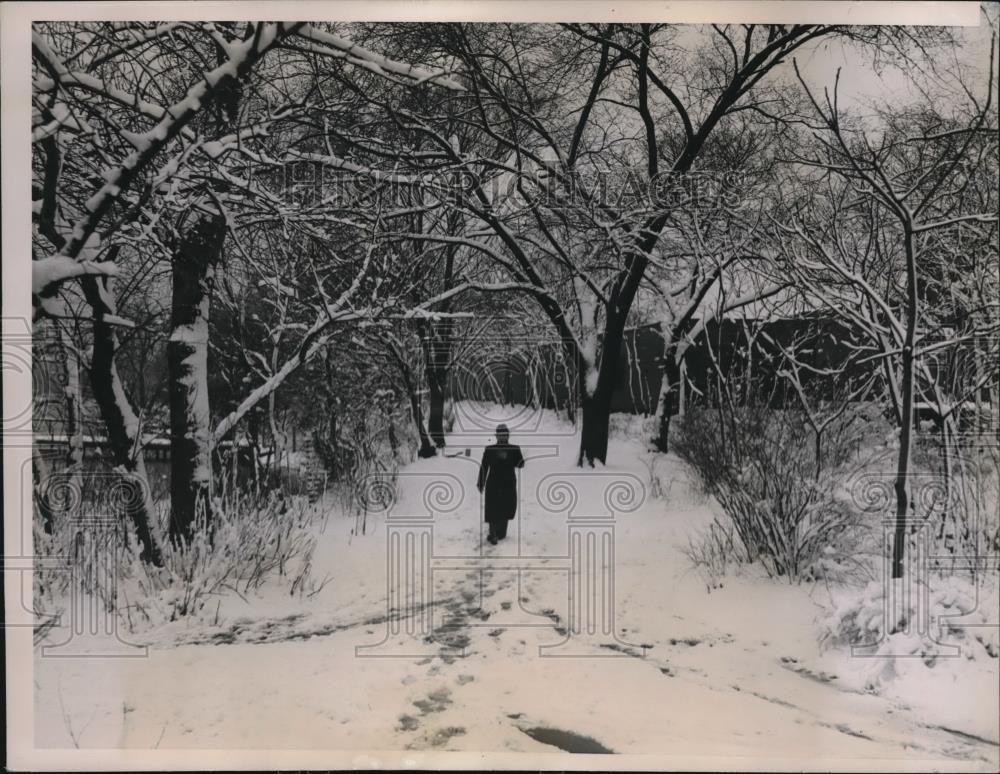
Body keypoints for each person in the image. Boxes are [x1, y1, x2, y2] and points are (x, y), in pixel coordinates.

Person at [477, 423, 524, 545]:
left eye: (504, 435)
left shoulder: (515, 449)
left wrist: (508, 458)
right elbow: (484, 466)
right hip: (494, 483)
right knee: (493, 508)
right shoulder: (490, 449)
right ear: (496, 436)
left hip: (508, 483)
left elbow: (521, 464)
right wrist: (480, 482)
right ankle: (492, 533)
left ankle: (500, 532)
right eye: (500, 435)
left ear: (508, 436)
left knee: (506, 508)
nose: (502, 437)